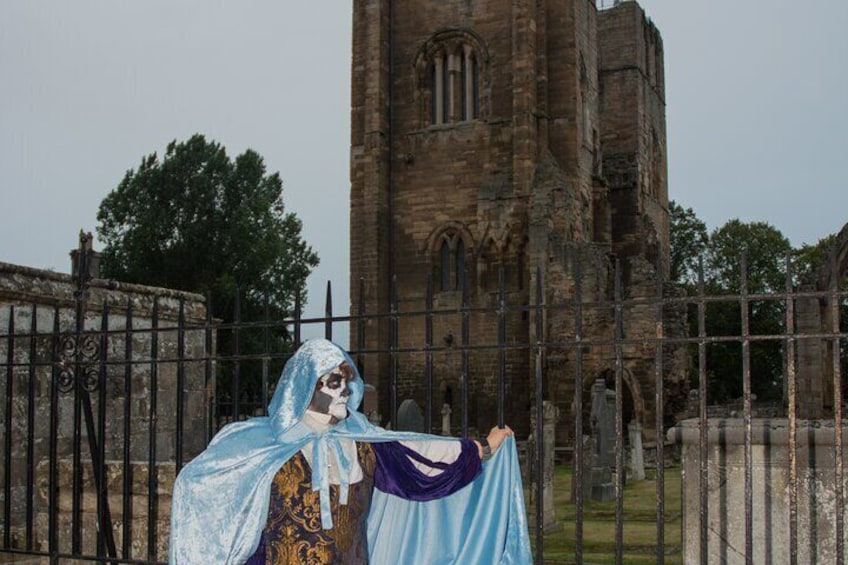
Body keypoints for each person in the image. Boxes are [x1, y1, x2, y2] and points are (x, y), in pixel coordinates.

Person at [169, 339, 531, 564]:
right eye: (334, 382)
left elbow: (421, 454)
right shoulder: (263, 447)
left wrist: (483, 447)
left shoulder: (364, 446)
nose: (345, 390)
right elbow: (205, 490)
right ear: (305, 387)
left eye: (348, 381)